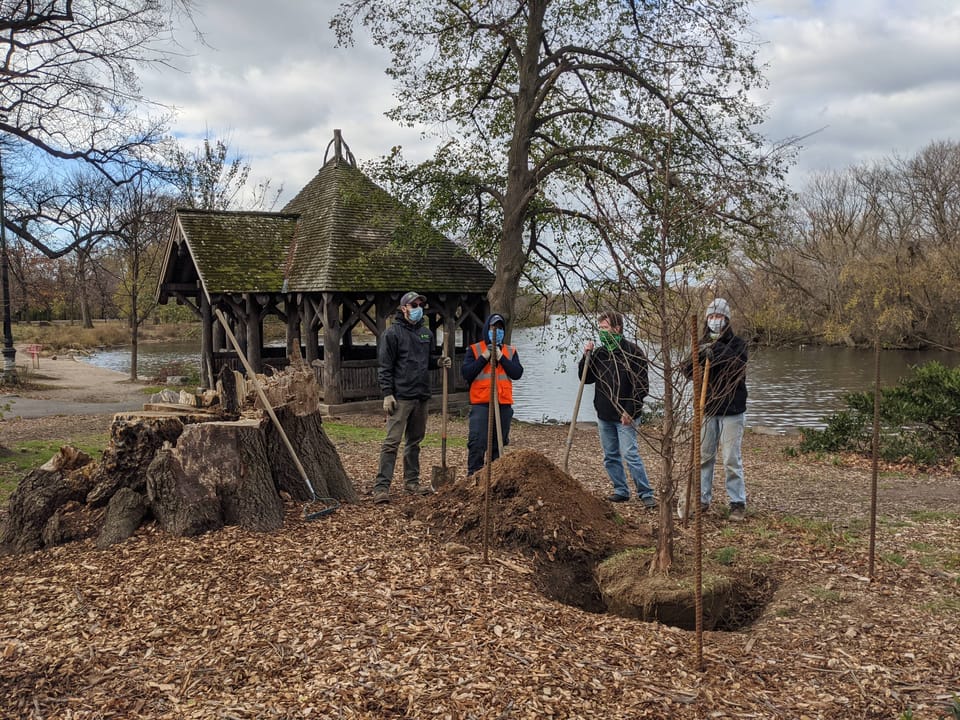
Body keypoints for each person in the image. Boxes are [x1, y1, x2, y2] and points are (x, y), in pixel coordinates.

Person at [373, 291, 452, 504]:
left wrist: (439, 362)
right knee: (391, 442)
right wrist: (387, 394)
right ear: (403, 308)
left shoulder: (426, 334)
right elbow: (385, 367)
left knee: (414, 441)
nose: (418, 307)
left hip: (421, 395)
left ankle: (411, 481)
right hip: (401, 397)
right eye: (413, 304)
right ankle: (381, 487)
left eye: (420, 304)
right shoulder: (392, 334)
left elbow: (426, 360)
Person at [578, 310, 656, 507]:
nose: (602, 332)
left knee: (630, 454)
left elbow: (641, 386)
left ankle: (645, 493)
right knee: (610, 455)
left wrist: (630, 410)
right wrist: (586, 356)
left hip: (626, 414)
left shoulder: (633, 352)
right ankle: (621, 490)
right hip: (605, 414)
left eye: (605, 328)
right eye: (600, 328)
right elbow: (586, 378)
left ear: (617, 328)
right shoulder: (600, 353)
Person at [682, 298, 749, 521]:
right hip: (708, 408)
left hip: (733, 408)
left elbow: (737, 367)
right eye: (711, 317)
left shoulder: (738, 344)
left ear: (727, 319)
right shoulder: (700, 343)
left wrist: (716, 351)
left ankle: (737, 502)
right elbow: (687, 371)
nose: (714, 321)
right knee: (704, 456)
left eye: (719, 317)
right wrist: (699, 355)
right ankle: (702, 499)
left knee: (731, 458)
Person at [461, 313, 524, 476]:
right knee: (477, 442)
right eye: (493, 327)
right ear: (487, 329)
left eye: (500, 328)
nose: (497, 331)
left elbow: (517, 373)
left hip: (503, 404)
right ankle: (474, 476)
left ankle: (495, 476)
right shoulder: (475, 350)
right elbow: (467, 373)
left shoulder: (510, 351)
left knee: (499, 443)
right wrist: (484, 357)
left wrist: (501, 357)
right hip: (482, 403)